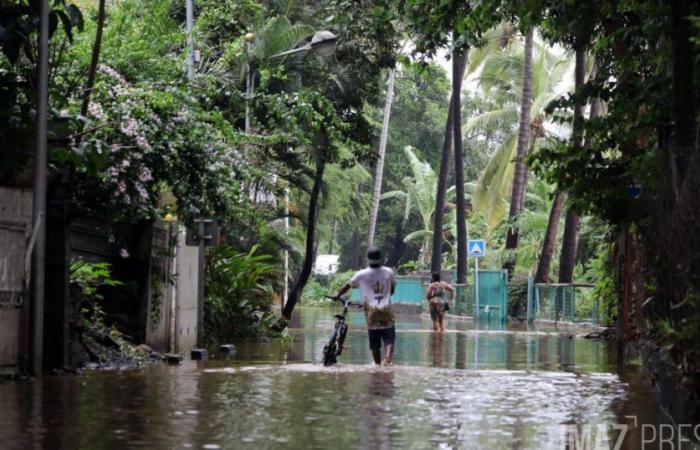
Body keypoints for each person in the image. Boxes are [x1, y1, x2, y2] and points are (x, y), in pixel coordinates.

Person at [334, 246, 396, 366]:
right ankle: (387, 360)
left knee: (375, 343)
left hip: (371, 312)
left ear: (368, 259)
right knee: (389, 339)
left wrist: (338, 295)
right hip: (386, 310)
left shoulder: (361, 274)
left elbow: (347, 285)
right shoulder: (389, 272)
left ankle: (377, 365)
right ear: (381, 258)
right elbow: (392, 289)